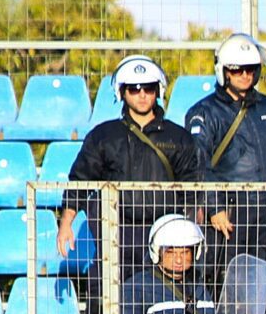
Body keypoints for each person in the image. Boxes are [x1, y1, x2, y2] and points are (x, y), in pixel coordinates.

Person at [58, 55, 208, 280]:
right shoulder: (103, 136)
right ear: (122, 92)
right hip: (115, 232)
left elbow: (192, 186)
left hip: (165, 234)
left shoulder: (179, 137)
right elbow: (81, 179)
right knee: (106, 293)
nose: (142, 94)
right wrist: (66, 222)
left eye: (149, 88)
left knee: (160, 297)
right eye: (134, 89)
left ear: (158, 90)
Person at [184, 33, 266, 269]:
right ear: (225, 71)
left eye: (251, 69)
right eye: (237, 70)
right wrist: (215, 207)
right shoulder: (205, 112)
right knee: (227, 276)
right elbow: (199, 163)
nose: (245, 75)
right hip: (232, 208)